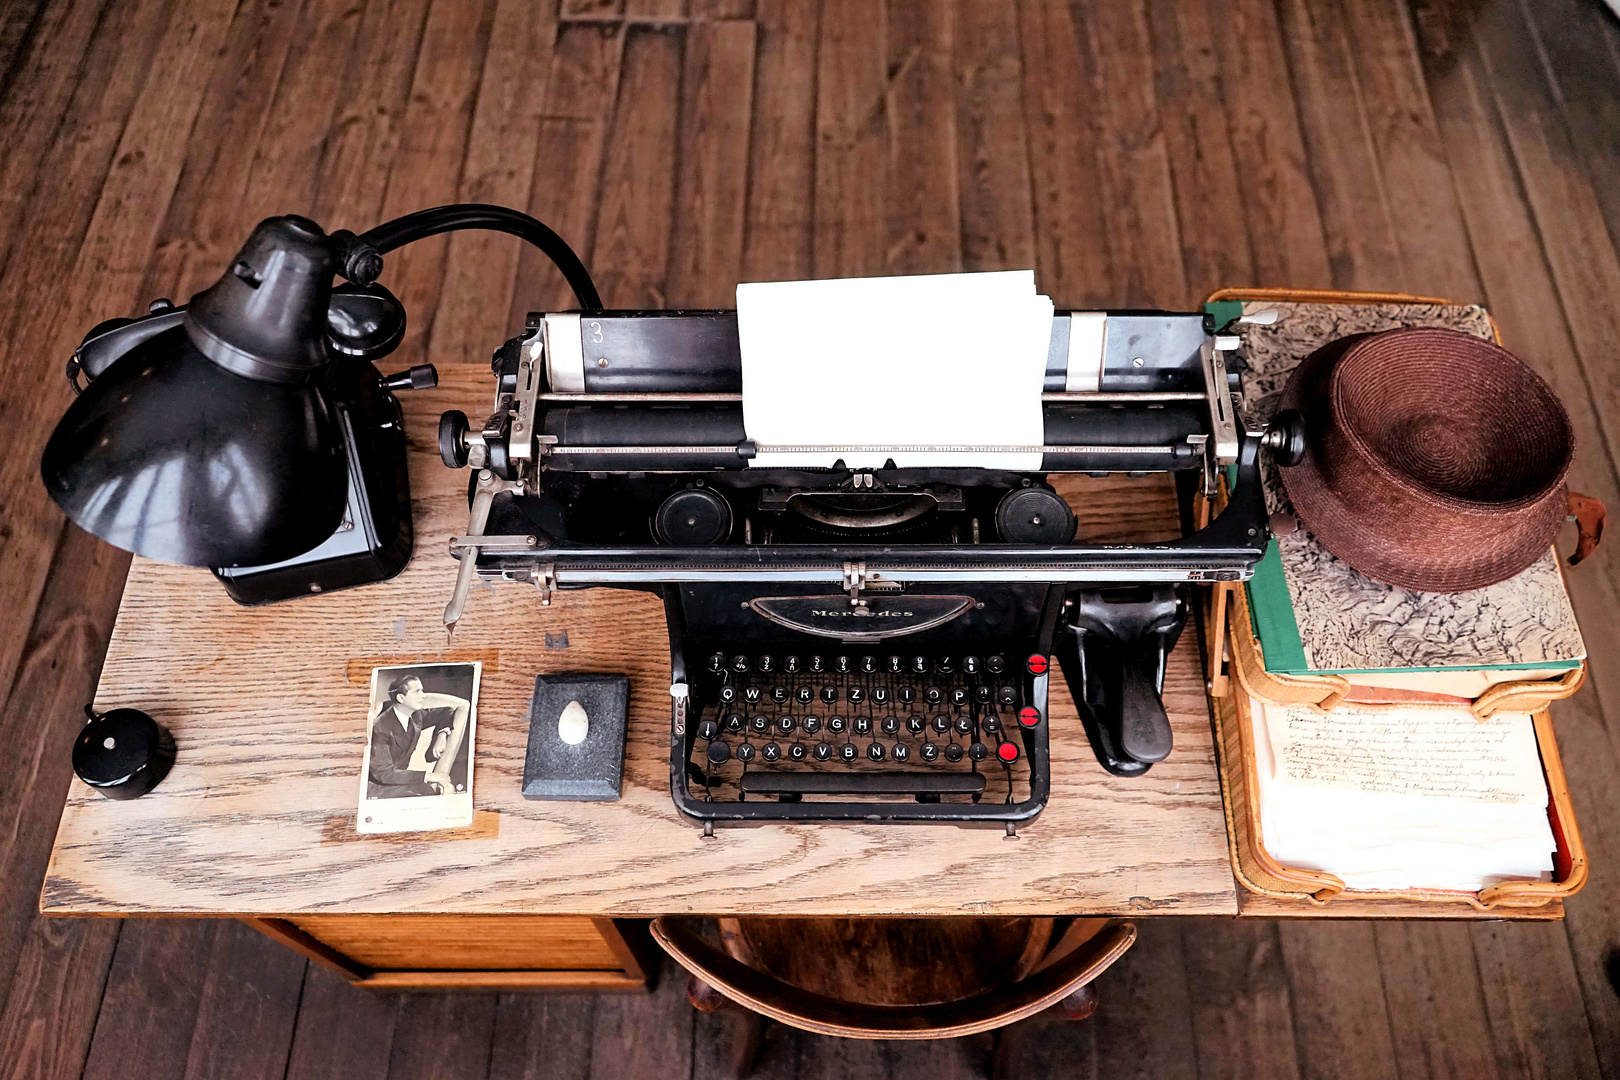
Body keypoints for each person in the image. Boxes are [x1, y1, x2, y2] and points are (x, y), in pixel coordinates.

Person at [367, 673, 470, 798]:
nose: (423, 695)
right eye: (417, 691)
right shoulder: (380, 728)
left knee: (443, 790)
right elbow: (384, 773)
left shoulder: (416, 715)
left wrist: (441, 735)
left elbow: (447, 711)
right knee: (434, 792)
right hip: (376, 786)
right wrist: (427, 775)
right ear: (401, 698)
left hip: (399, 781)